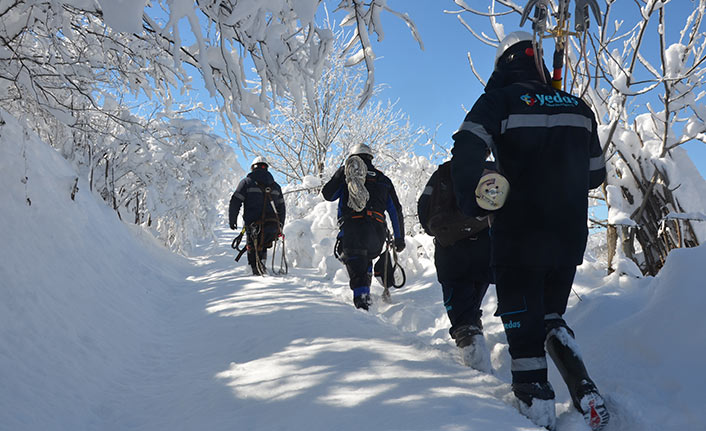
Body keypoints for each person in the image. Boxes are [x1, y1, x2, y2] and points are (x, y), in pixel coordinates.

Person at [449, 31, 609, 430]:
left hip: (518, 236)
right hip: (568, 235)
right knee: (552, 315)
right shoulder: (579, 107)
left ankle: (537, 410)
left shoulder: (499, 101)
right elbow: (596, 175)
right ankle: (585, 389)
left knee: (523, 330)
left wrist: (475, 200)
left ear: (503, 65)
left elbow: (466, 149)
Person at [417, 157, 494, 373]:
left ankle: (478, 370)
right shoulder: (492, 170)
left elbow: (424, 209)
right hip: (486, 249)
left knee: (461, 314)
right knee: (473, 301)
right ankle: (476, 341)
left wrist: (440, 230)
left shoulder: (443, 172)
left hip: (450, 251)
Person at [321, 143, 405, 310]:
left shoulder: (347, 177)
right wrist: (399, 238)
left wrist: (339, 173)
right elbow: (395, 210)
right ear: (370, 157)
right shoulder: (383, 179)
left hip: (353, 230)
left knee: (357, 264)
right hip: (377, 233)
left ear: (352, 157)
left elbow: (328, 194)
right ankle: (365, 295)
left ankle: (362, 304)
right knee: (365, 260)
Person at [229, 156, 286, 275]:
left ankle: (255, 271)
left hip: (253, 225)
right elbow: (282, 208)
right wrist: (280, 226)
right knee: (264, 245)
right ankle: (262, 266)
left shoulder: (246, 182)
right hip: (272, 226)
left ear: (253, 168)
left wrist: (232, 219)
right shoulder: (276, 186)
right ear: (266, 168)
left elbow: (235, 201)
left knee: (253, 246)